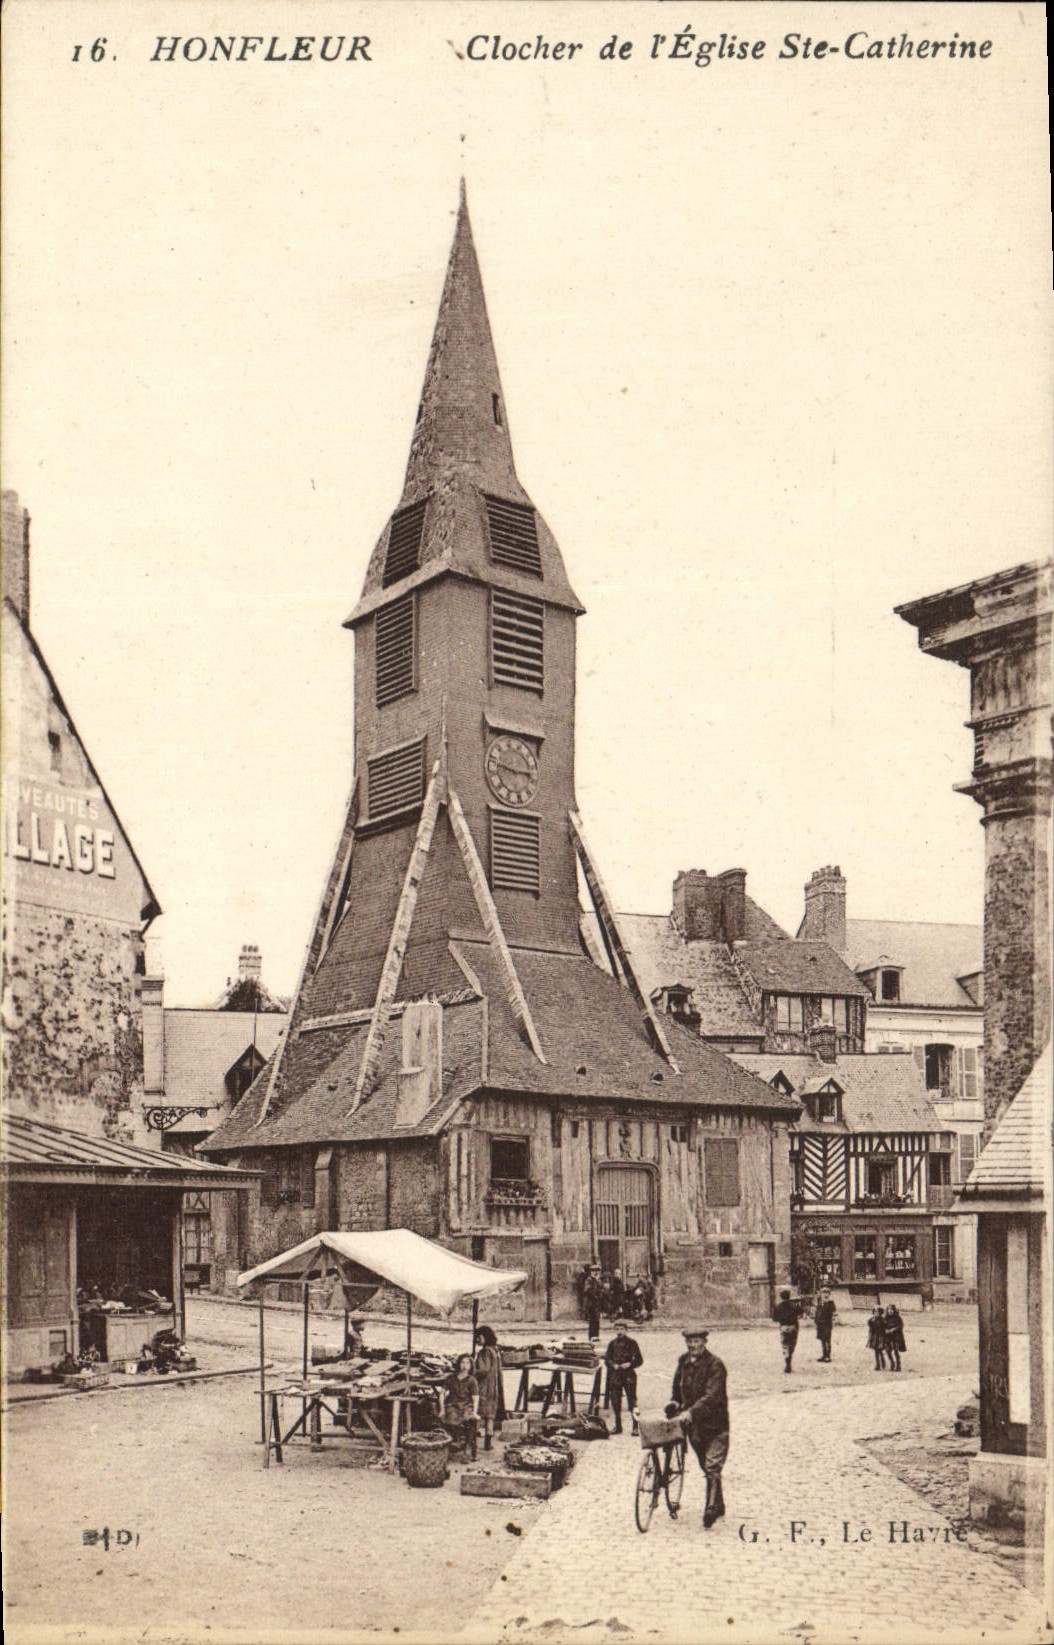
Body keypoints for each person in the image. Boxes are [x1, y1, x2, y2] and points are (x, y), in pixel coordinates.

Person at [671, 1325, 729, 1529]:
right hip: (693, 1427)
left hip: (715, 1424)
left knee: (712, 1465)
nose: (693, 1345)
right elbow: (677, 1387)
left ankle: (710, 1509)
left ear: (705, 1342)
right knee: (706, 1465)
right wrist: (675, 1403)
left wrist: (691, 1412)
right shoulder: (683, 1361)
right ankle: (719, 1503)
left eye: (697, 1341)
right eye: (690, 1342)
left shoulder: (715, 1365)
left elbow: (713, 1396)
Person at [604, 1319, 643, 1435]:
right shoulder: (612, 1344)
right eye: (617, 1329)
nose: (620, 1331)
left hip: (629, 1375)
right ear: (615, 1330)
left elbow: (640, 1360)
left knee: (632, 1401)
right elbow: (607, 1360)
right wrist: (613, 1365)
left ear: (626, 1330)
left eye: (622, 1329)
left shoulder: (632, 1343)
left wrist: (630, 1364)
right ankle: (618, 1426)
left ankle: (635, 1427)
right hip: (616, 1375)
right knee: (615, 1400)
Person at [441, 1354, 480, 1458]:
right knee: (451, 1417)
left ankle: (467, 1446)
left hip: (466, 1405)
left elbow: (475, 1398)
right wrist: (441, 1409)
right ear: (458, 1364)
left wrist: (475, 1412)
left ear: (471, 1366)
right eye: (463, 1362)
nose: (465, 1365)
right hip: (452, 1404)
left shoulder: (472, 1380)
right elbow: (442, 1393)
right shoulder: (451, 1378)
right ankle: (456, 1441)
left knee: (468, 1419)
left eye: (468, 1363)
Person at [473, 1325, 505, 1450]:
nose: (477, 1340)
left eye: (479, 1337)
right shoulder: (494, 1350)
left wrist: (472, 1371)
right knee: (490, 1416)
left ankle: (472, 1441)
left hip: (484, 1387)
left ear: (485, 1337)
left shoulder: (484, 1352)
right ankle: (488, 1442)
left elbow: (483, 1370)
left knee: (478, 1413)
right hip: (494, 1387)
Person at [772, 1288, 802, 1373]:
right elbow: (800, 1311)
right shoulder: (794, 1305)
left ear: (781, 1297)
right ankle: (789, 1360)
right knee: (792, 1345)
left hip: (783, 1327)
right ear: (789, 1296)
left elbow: (775, 1318)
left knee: (785, 1345)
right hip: (793, 1327)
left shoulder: (778, 1306)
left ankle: (787, 1361)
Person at [581, 1265, 604, 1341]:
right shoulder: (589, 1280)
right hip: (591, 1304)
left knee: (596, 1320)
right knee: (592, 1321)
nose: (595, 1273)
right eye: (594, 1271)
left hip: (596, 1303)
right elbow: (588, 1291)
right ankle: (591, 1336)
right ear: (591, 1272)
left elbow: (600, 1289)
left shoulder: (597, 1280)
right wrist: (595, 1297)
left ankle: (596, 1336)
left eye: (597, 1271)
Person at [814, 1288, 836, 1362]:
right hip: (820, 1325)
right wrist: (816, 1321)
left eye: (827, 1293)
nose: (825, 1294)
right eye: (823, 1293)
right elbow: (817, 1313)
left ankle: (828, 1356)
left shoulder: (830, 1303)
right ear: (821, 1294)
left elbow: (833, 1313)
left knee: (827, 1339)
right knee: (822, 1340)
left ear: (829, 1294)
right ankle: (824, 1355)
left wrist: (826, 1303)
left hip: (827, 1324)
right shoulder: (819, 1303)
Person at [884, 1304, 906, 1372]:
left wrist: (894, 1329)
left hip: (896, 1336)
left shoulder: (897, 1317)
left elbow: (901, 1325)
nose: (890, 1311)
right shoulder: (885, 1318)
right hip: (888, 1337)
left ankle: (898, 1365)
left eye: (891, 1310)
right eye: (889, 1310)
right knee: (887, 1350)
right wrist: (885, 1330)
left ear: (894, 1310)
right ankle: (892, 1363)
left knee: (896, 1350)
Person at [867, 1306, 887, 1371]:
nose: (876, 1313)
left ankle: (882, 1361)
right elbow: (869, 1324)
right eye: (875, 1312)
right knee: (876, 1351)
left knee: (879, 1350)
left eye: (878, 1312)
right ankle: (878, 1365)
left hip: (881, 1337)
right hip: (874, 1337)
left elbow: (884, 1327)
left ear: (881, 1313)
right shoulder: (872, 1319)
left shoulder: (882, 1320)